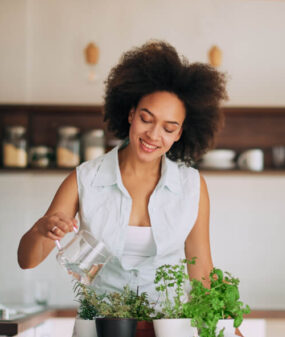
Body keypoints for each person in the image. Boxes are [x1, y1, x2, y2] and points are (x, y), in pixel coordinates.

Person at [17, 41, 228, 301]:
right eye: (146, 119)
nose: (153, 135)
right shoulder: (84, 179)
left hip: (169, 331)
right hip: (99, 332)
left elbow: (203, 273)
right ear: (131, 114)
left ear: (180, 134)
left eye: (168, 128)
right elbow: (27, 261)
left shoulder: (192, 186)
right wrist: (41, 229)